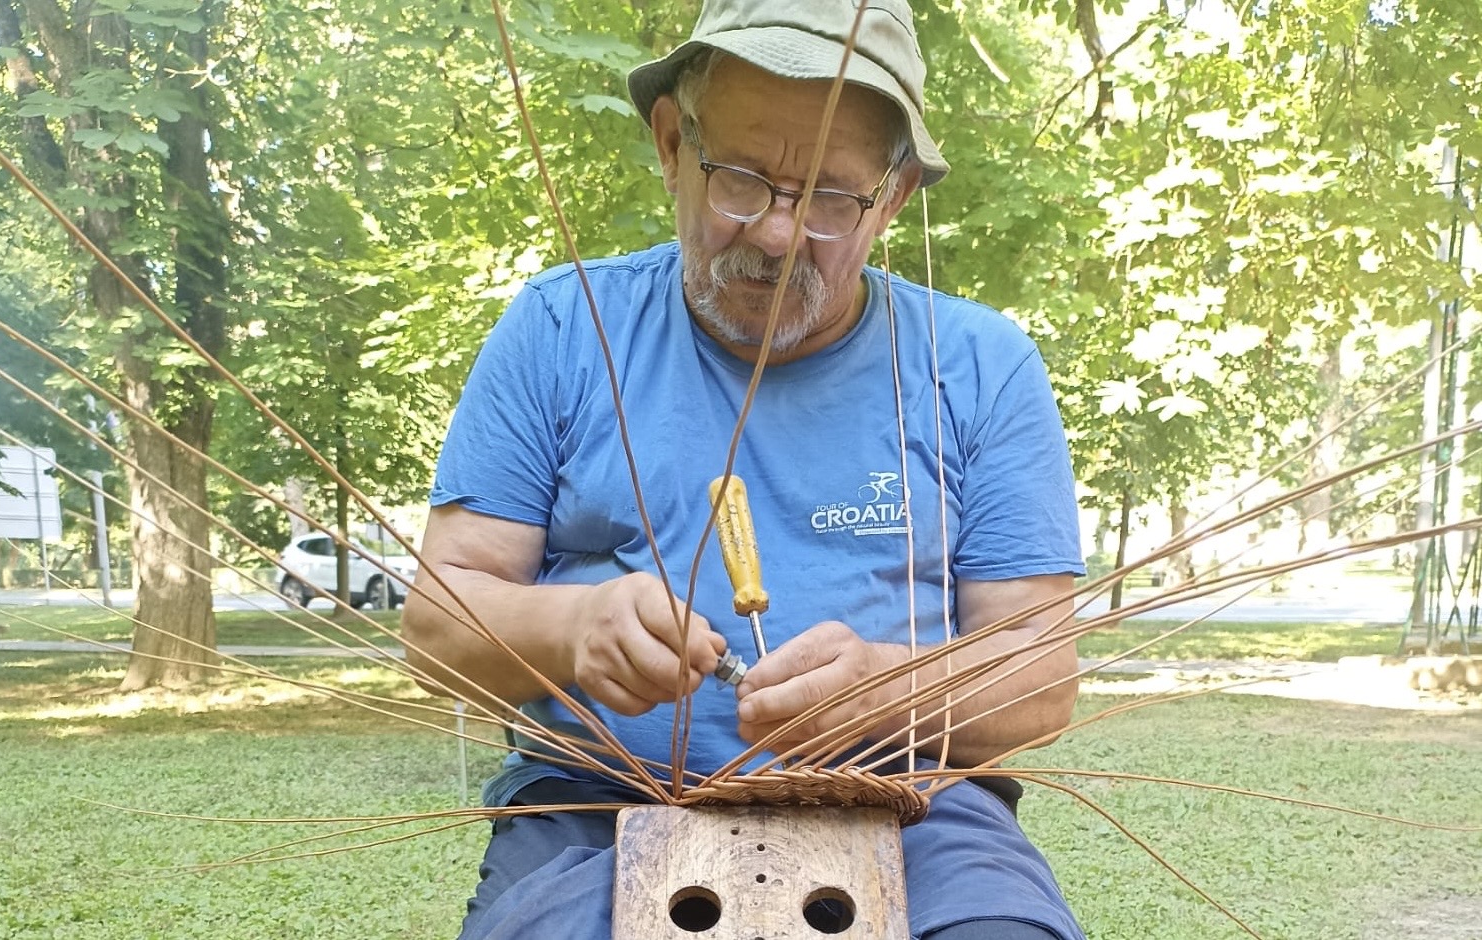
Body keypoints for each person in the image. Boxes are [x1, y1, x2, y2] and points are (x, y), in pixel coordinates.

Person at [401, 1, 1088, 937]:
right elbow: (438, 629)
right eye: (743, 179)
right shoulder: (563, 330)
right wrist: (572, 628)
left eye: (832, 198)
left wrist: (885, 691)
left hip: (909, 803)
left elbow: (1038, 684)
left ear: (891, 199)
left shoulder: (978, 364)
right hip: (594, 804)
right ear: (673, 143)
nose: (775, 232)